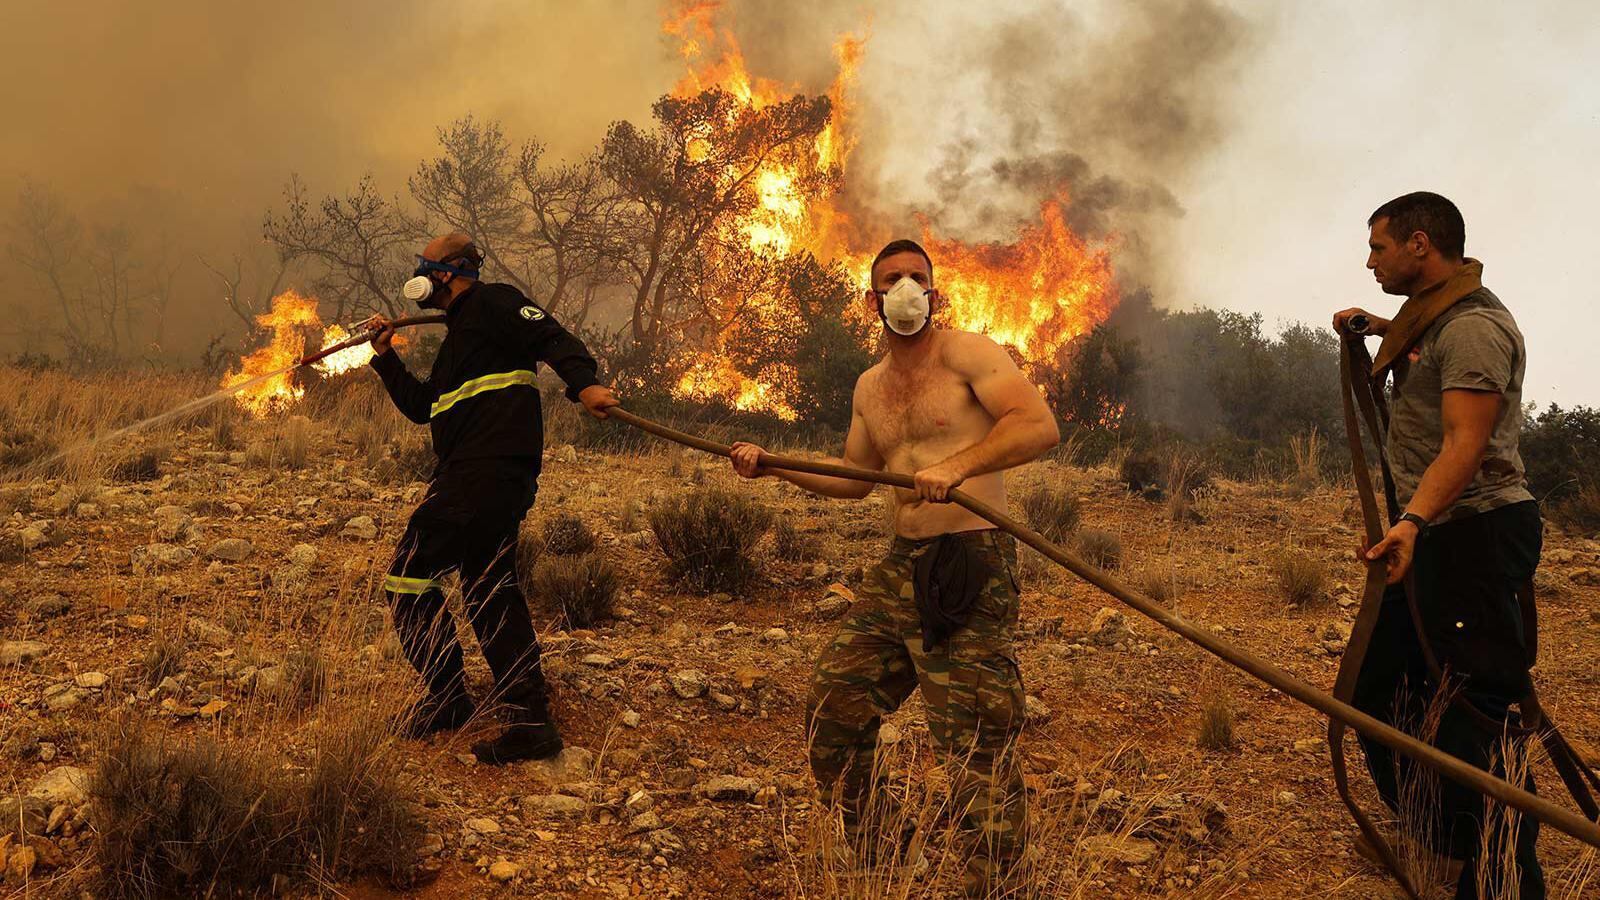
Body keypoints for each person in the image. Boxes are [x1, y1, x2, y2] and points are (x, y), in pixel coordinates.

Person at [729, 239, 1058, 894]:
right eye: (891, 279)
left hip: (970, 560)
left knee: (973, 746)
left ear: (934, 295)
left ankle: (1001, 887)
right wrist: (774, 466)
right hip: (900, 565)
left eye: (917, 277)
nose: (905, 287)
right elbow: (855, 479)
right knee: (835, 707)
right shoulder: (869, 387)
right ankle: (886, 852)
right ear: (872, 299)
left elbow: (1039, 426)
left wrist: (955, 467)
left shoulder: (968, 353)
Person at [1334, 192, 1543, 898]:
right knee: (1377, 688)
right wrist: (1378, 326)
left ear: (1420, 245)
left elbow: (1466, 442)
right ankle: (1445, 832)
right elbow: (1430, 348)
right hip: (1433, 534)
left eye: (1379, 248)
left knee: (1475, 710)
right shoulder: (1439, 319)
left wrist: (1412, 521)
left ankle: (1501, 874)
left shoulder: (1477, 329)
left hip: (1472, 535)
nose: (1371, 261)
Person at [366, 232, 618, 765]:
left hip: (484, 474)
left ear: (449, 272)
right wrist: (385, 357)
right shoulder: (459, 342)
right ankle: (529, 721)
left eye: (426, 266)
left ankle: (449, 697)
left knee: (408, 575)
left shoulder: (496, 302)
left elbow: (551, 335)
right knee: (488, 587)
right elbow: (422, 407)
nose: (420, 275)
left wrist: (584, 384)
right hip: (479, 475)